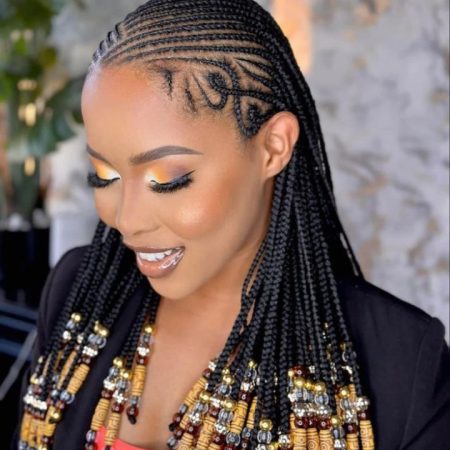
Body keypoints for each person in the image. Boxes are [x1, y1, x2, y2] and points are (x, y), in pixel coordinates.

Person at [14, 1, 449, 449]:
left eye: (168, 179)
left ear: (273, 147)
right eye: (104, 175)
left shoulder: (401, 362)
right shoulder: (76, 293)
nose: (127, 219)